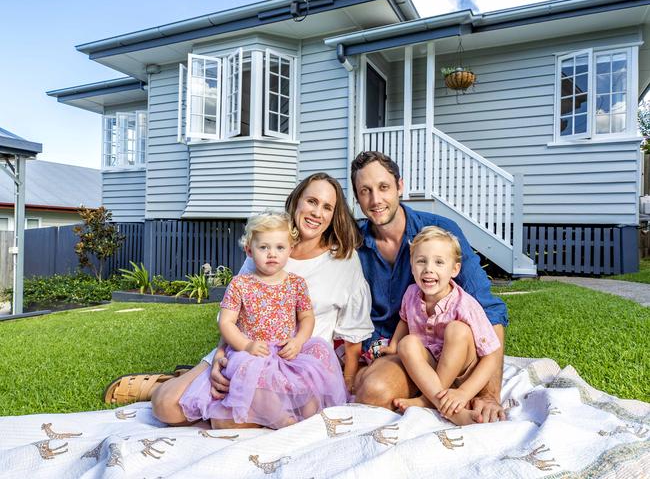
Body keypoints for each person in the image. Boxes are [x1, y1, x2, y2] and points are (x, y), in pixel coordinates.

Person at [150, 173, 373, 426]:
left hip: (295, 364)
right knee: (165, 406)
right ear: (297, 201)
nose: (317, 213)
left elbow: (353, 335)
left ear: (334, 215)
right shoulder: (267, 243)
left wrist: (345, 383)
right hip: (243, 351)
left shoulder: (343, 260)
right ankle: (165, 383)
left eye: (327, 207)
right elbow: (232, 316)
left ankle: (246, 410)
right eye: (311, 201)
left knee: (227, 421)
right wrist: (220, 358)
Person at [350, 151, 509, 423]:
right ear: (357, 197)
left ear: (400, 186)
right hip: (403, 350)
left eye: (384, 187)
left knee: (458, 332)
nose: (375, 200)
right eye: (365, 191)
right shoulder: (351, 241)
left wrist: (489, 394)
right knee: (372, 392)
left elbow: (489, 309)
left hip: (450, 348)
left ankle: (439, 397)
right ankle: (437, 399)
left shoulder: (440, 232)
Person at [178, 212, 347, 429]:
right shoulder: (241, 284)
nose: (272, 254)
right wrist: (246, 345)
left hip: (287, 352)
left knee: (311, 391)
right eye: (263, 247)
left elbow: (306, 317)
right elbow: (227, 322)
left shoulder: (296, 284)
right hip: (253, 353)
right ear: (250, 250)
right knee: (254, 387)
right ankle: (282, 420)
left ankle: (304, 415)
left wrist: (298, 342)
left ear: (290, 250)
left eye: (279, 247)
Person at [383, 226, 501, 426]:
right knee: (407, 343)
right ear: (412, 266)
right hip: (431, 371)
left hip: (462, 375)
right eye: (421, 261)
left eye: (439, 262)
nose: (429, 268)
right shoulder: (411, 294)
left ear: (454, 269)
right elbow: (404, 320)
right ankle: (443, 406)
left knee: (457, 329)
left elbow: (490, 356)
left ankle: (429, 400)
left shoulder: (464, 304)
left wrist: (464, 393)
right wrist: (393, 346)